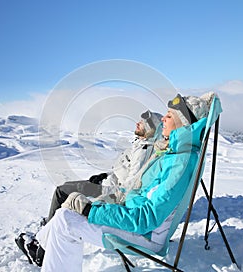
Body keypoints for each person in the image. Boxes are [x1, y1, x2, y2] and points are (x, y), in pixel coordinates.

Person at [32, 92, 215, 271]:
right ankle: (39, 244)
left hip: (145, 235)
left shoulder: (180, 162)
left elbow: (147, 218)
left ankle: (40, 246)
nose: (162, 120)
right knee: (66, 212)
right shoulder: (172, 155)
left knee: (66, 221)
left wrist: (91, 209)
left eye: (168, 116)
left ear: (183, 123)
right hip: (133, 218)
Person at [15, 110, 163, 265]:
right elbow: (124, 171)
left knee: (62, 192)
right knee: (65, 189)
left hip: (111, 192)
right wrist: (105, 175)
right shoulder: (139, 144)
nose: (137, 123)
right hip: (108, 184)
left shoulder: (145, 150)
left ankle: (42, 250)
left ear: (151, 128)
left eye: (143, 122)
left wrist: (105, 189)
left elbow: (130, 185)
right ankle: (48, 231)